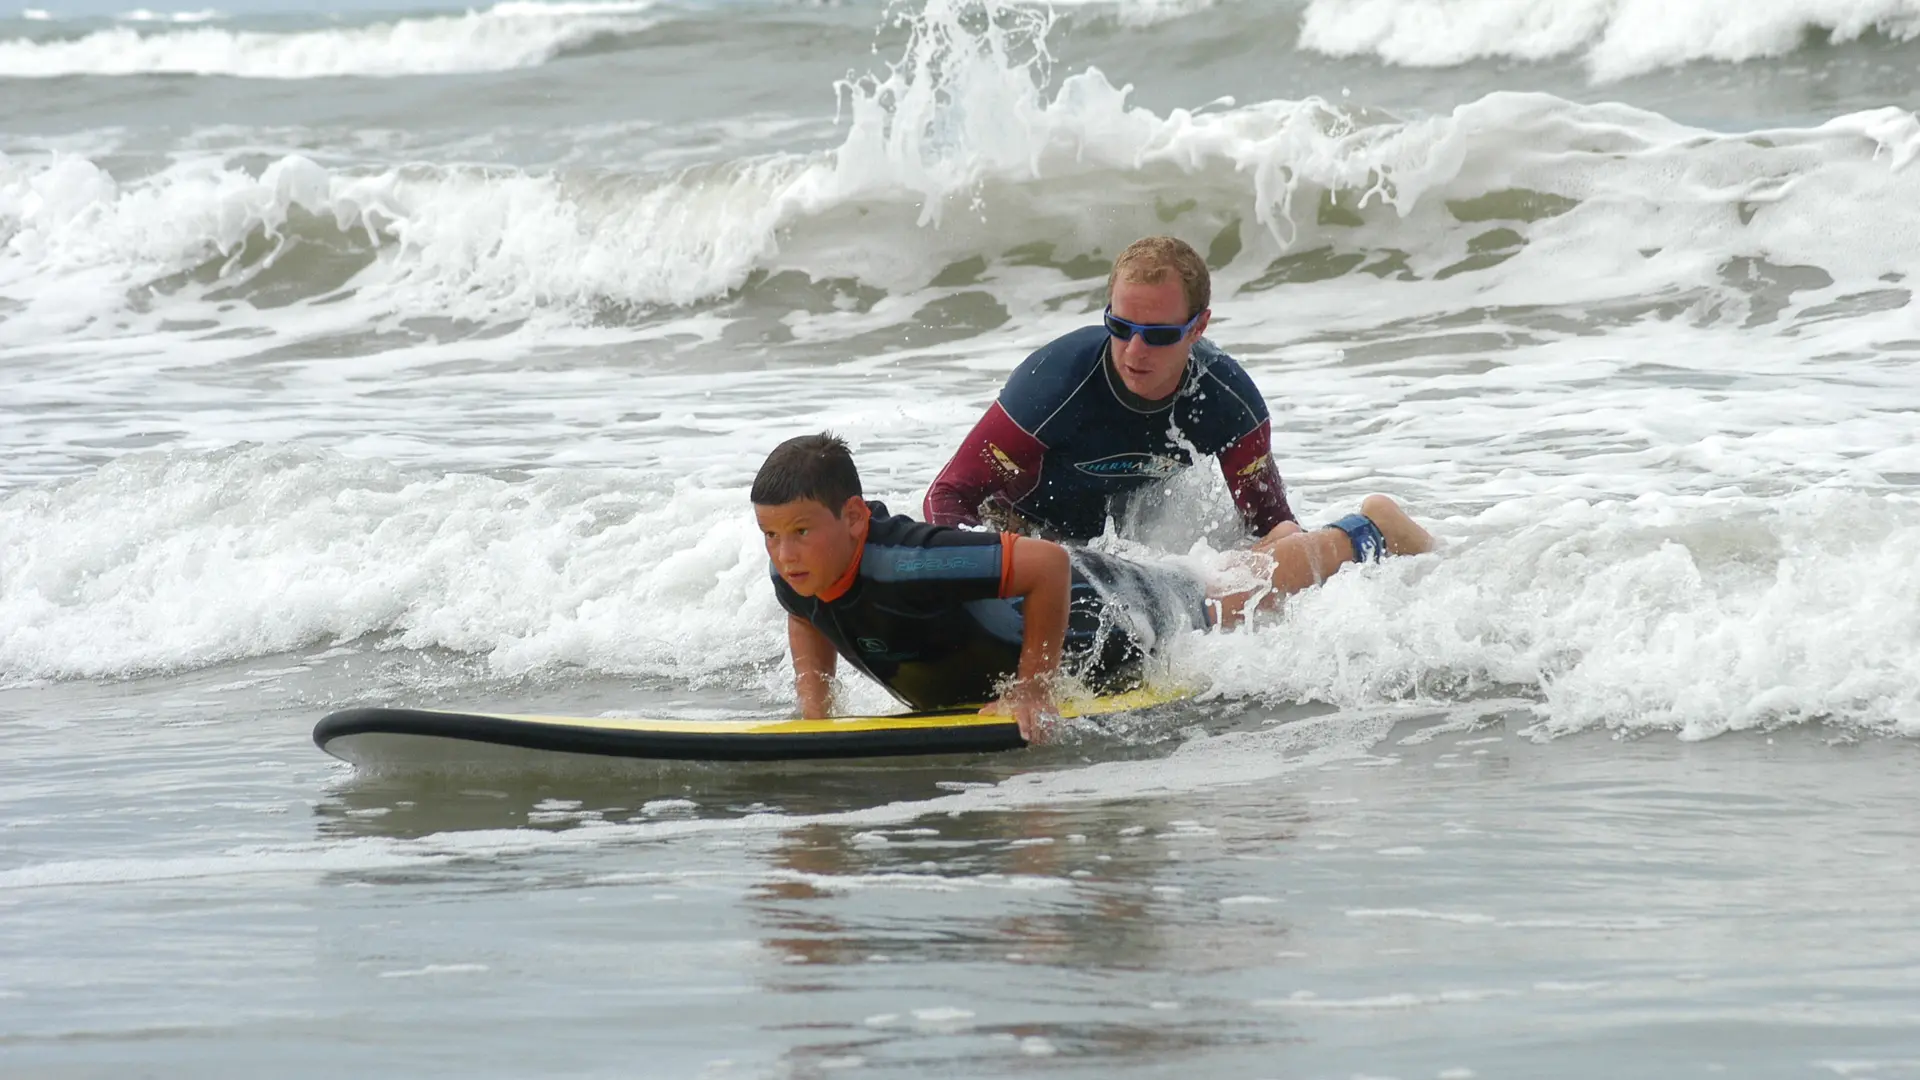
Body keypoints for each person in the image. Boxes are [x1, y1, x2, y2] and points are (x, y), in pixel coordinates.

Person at [754, 433, 1432, 741]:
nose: (785, 554)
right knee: (1220, 582)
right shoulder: (804, 568)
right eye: (771, 536)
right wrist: (814, 707)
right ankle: (1277, 549)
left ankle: (1364, 530)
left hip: (1099, 612)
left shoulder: (909, 562)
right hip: (1063, 602)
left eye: (800, 532)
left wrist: (1035, 688)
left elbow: (1046, 565)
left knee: (1225, 602)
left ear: (854, 518)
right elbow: (806, 611)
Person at [924, 235, 1298, 551]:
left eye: (1159, 335)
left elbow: (1272, 528)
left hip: (1126, 555)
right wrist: (989, 576)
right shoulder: (1056, 383)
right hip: (1021, 534)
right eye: (1119, 327)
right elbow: (947, 495)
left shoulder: (1227, 401)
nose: (1134, 351)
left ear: (1198, 327)